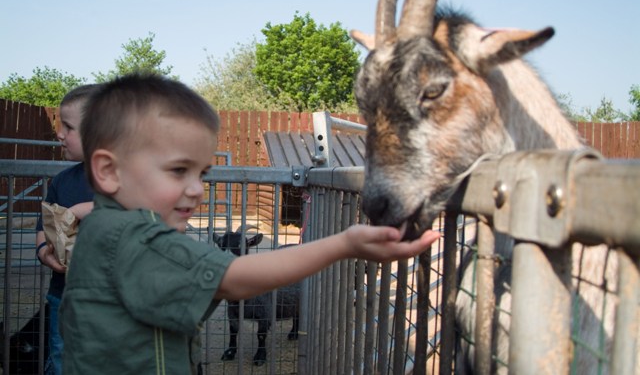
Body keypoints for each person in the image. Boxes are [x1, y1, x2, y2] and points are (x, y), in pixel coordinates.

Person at [59, 73, 441, 374]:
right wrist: (344, 244)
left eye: (202, 173)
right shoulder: (135, 238)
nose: (196, 190)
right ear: (109, 171)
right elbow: (234, 278)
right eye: (178, 171)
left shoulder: (107, 230)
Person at [35, 84, 102, 375]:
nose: (59, 133)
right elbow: (43, 227)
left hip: (111, 301)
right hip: (64, 297)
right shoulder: (61, 181)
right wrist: (43, 252)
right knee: (63, 361)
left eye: (68, 127)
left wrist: (84, 209)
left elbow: (142, 210)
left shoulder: (130, 181)